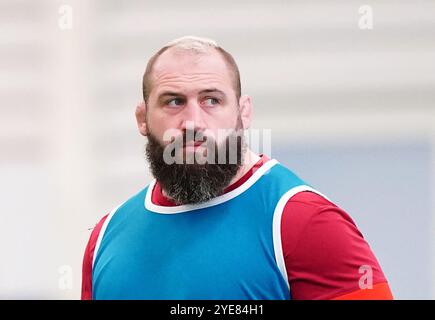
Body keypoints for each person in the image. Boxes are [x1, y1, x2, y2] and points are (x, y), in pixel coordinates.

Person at [81, 36, 393, 300]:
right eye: (173, 101)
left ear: (243, 113)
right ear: (142, 118)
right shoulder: (106, 237)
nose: (193, 122)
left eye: (212, 100)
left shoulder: (304, 222)